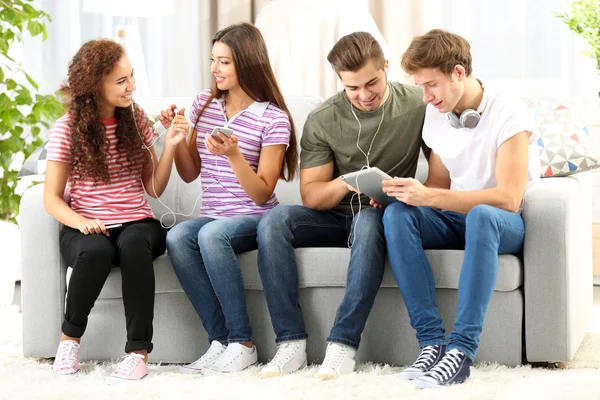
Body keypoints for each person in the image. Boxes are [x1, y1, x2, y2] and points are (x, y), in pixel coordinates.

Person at [256, 32, 426, 380]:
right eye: (352, 88)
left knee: (367, 221)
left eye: (371, 83)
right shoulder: (323, 119)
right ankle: (290, 343)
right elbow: (312, 197)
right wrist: (349, 180)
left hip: (381, 214)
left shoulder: (418, 104)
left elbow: (441, 177)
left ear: (387, 69)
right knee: (274, 221)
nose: (363, 95)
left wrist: (398, 193)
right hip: (331, 216)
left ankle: (342, 346)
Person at [380, 29, 540, 388]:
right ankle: (432, 344)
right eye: (420, 87)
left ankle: (461, 352)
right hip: (457, 219)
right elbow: (437, 187)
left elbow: (508, 198)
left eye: (431, 85)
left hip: (502, 223)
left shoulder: (509, 111)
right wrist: (403, 195)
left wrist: (430, 198)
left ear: (458, 72)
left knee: (483, 214)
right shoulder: (438, 114)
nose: (425, 97)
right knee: (396, 214)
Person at [44, 39, 185, 383]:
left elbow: (153, 188)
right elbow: (51, 199)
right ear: (94, 86)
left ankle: (138, 354)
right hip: (86, 225)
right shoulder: (67, 129)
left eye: (132, 77)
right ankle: (68, 343)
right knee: (94, 252)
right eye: (121, 81)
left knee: (135, 244)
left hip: (137, 221)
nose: (132, 87)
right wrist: (83, 222)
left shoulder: (135, 119)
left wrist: (170, 147)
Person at [162, 22, 297, 375]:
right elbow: (190, 172)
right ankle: (220, 341)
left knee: (211, 234)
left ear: (247, 63)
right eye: (213, 60)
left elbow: (263, 191)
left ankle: (243, 343)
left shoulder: (273, 118)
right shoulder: (204, 104)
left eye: (224, 62)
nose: (214, 69)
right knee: (177, 237)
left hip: (254, 217)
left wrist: (235, 155)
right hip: (214, 213)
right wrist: (175, 139)